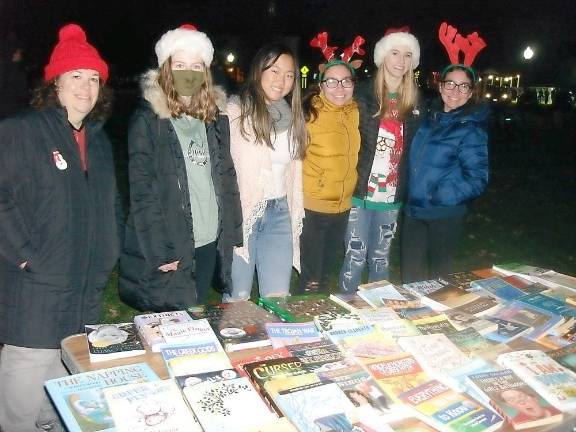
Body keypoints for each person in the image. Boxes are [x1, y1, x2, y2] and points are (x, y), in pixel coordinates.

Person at [0, 23, 122, 432]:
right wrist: (23, 257)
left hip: (83, 293)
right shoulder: (22, 131)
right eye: (76, 77)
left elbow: (109, 206)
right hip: (35, 293)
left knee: (59, 406)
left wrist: (110, 250)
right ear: (55, 82)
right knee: (20, 407)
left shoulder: (100, 142)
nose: (86, 88)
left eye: (93, 79)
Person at [119, 24, 242, 310]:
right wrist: (160, 250)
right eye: (180, 64)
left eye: (196, 65)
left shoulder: (215, 118)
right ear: (166, 68)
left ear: (206, 72)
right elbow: (142, 189)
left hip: (209, 235)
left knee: (196, 312)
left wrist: (231, 233)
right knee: (172, 323)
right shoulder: (149, 119)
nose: (189, 73)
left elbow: (226, 175)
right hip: (174, 241)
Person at [401, 22, 489, 283]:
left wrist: (438, 195)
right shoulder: (425, 119)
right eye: (450, 84)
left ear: (471, 92)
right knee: (411, 281)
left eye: (463, 87)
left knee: (440, 283)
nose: (455, 91)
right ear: (440, 87)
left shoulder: (471, 130)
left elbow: (477, 179)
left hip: (444, 216)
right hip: (413, 214)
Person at [339, 27, 422, 293]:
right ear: (383, 56)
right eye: (395, 53)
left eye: (407, 55)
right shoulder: (362, 96)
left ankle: (378, 316)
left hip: (391, 198)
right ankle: (347, 310)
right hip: (359, 194)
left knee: (380, 259)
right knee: (354, 258)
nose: (401, 61)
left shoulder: (416, 103)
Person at [224, 43, 307, 301]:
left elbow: (293, 175)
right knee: (238, 300)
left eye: (289, 74)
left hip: (279, 214)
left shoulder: (293, 117)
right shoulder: (235, 112)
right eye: (274, 70)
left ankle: (275, 342)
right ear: (259, 71)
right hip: (242, 216)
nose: (281, 80)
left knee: (277, 298)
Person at [298, 33, 362, 294]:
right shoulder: (307, 112)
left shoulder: (355, 111)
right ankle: (302, 323)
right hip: (313, 208)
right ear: (321, 84)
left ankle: (321, 321)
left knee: (327, 274)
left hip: (342, 207)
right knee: (311, 276)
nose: (340, 87)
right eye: (332, 81)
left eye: (346, 81)